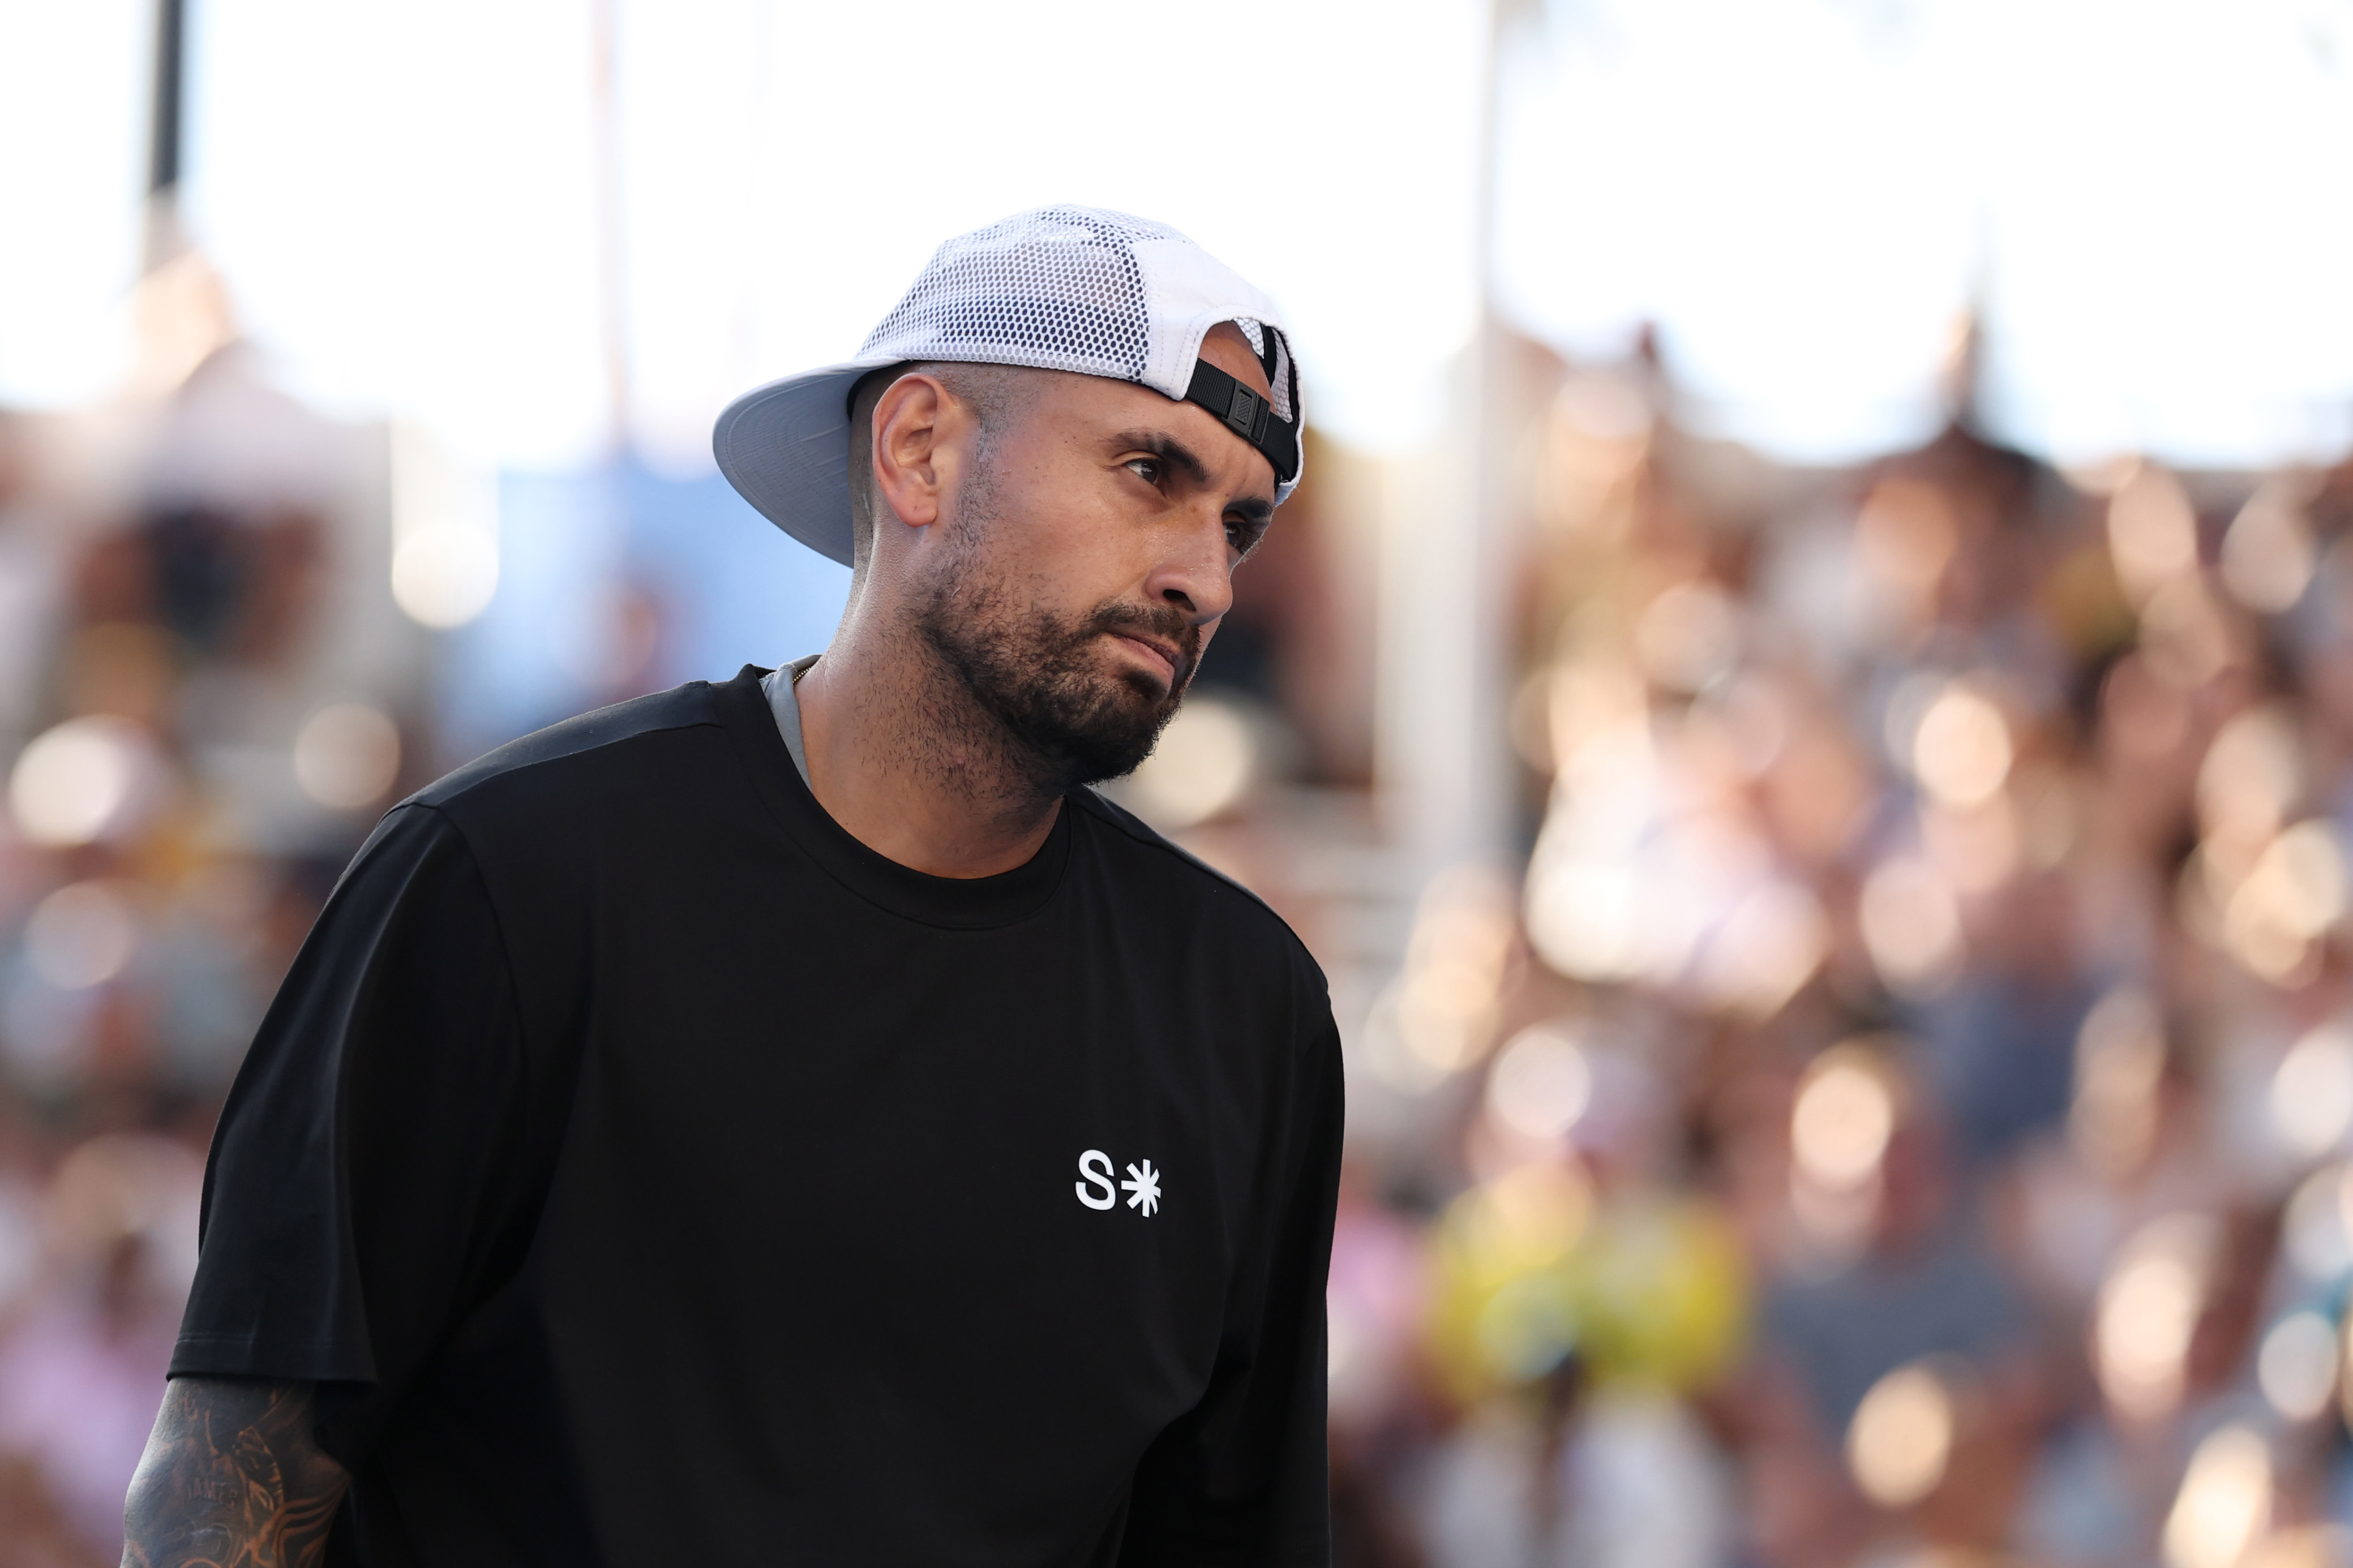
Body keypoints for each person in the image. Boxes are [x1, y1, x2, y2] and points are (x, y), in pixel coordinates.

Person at [119, 207, 1344, 1567]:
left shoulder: (1246, 1013)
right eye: (1147, 470)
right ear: (922, 450)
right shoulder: (508, 882)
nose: (1205, 577)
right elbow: (218, 1502)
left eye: (1238, 520)